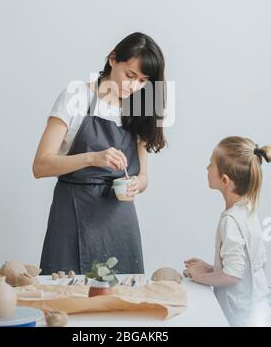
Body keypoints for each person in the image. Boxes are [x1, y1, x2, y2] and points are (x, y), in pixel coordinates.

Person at [33, 32, 167, 275]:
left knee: (120, 305)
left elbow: (144, 176)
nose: (134, 86)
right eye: (130, 76)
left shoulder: (139, 107)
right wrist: (92, 158)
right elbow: (40, 166)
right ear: (113, 59)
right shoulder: (76, 97)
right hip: (73, 216)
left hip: (120, 222)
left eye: (143, 81)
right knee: (67, 300)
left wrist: (137, 184)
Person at [184, 136, 271, 326]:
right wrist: (210, 268)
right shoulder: (248, 210)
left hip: (239, 315)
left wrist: (199, 277)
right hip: (257, 307)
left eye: (210, 164)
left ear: (224, 180)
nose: (207, 168)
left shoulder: (230, 221)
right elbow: (244, 264)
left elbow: (233, 276)